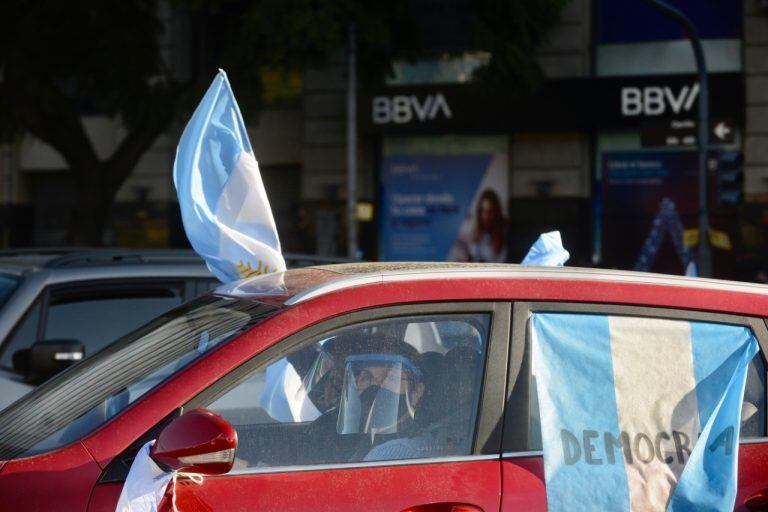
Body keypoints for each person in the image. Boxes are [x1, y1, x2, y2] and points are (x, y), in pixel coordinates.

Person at [448, 188, 507, 263]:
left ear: (496, 213)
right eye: (483, 211)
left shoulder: (504, 235)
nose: (486, 216)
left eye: (490, 212)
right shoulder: (472, 234)